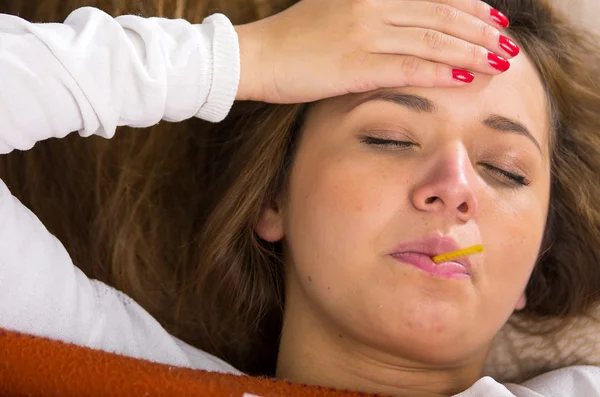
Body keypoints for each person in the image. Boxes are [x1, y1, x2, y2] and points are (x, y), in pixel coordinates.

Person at [0, 0, 599, 396]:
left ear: (539, 261)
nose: (455, 185)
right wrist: (239, 59)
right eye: (388, 138)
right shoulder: (116, 370)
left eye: (504, 170)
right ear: (273, 201)